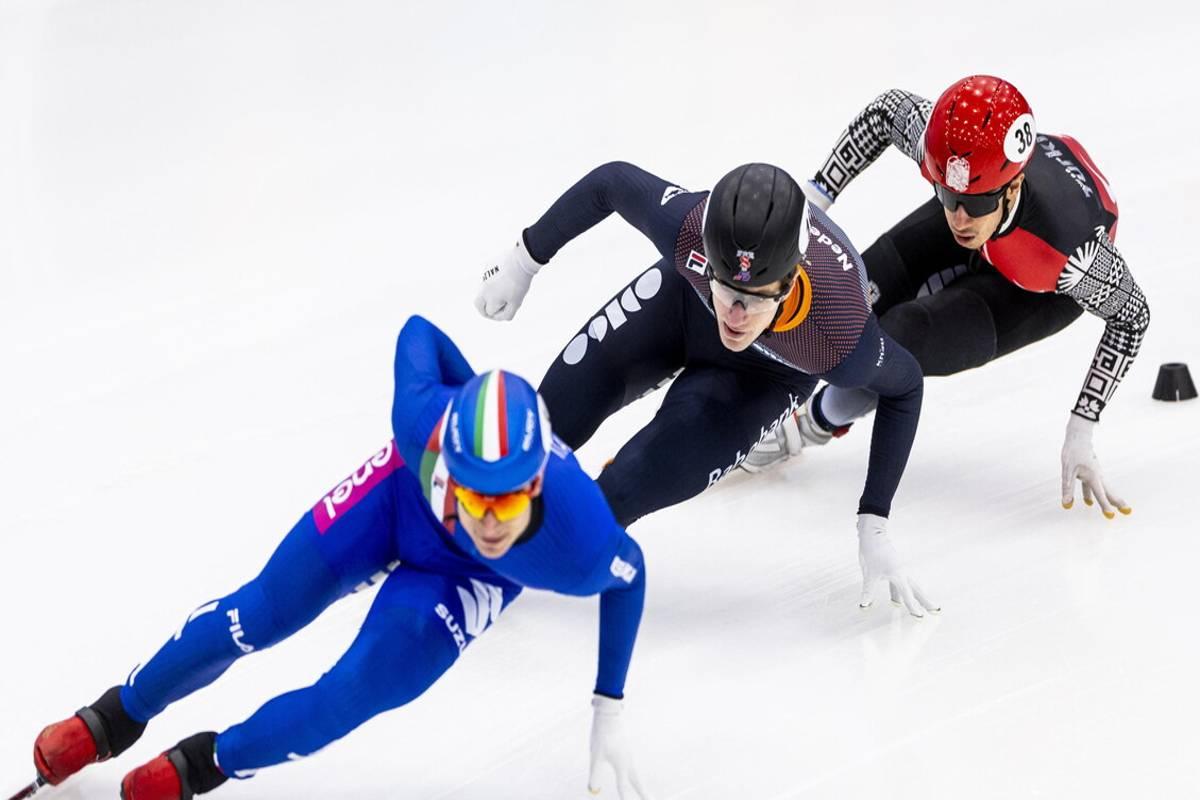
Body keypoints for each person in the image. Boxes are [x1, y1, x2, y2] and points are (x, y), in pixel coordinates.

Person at [25, 316, 650, 800]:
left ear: (537, 482)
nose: (487, 519)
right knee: (258, 613)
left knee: (350, 694)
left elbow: (631, 577)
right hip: (400, 498)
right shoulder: (421, 421)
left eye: (507, 498)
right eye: (470, 493)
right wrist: (467, 400)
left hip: (466, 578)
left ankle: (203, 764)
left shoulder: (581, 541)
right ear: (446, 458)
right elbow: (419, 331)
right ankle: (115, 715)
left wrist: (608, 706)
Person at [476, 161, 938, 617]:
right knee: (537, 432)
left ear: (790, 282)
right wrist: (524, 260)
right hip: (682, 303)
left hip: (764, 379)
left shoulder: (839, 337)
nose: (735, 316)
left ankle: (498, 565)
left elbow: (906, 387)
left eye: (754, 299)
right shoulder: (687, 227)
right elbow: (610, 181)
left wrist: (874, 519)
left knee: (620, 492)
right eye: (728, 290)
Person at [745, 75, 1149, 519]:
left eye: (973, 205)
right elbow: (885, 111)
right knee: (848, 292)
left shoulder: (1075, 254)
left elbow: (1133, 316)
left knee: (899, 340)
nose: (958, 218)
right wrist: (814, 200)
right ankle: (756, 375)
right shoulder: (955, 161)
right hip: (999, 216)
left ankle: (809, 426)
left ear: (1014, 187)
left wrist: (1082, 427)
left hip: (1033, 287)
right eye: (946, 196)